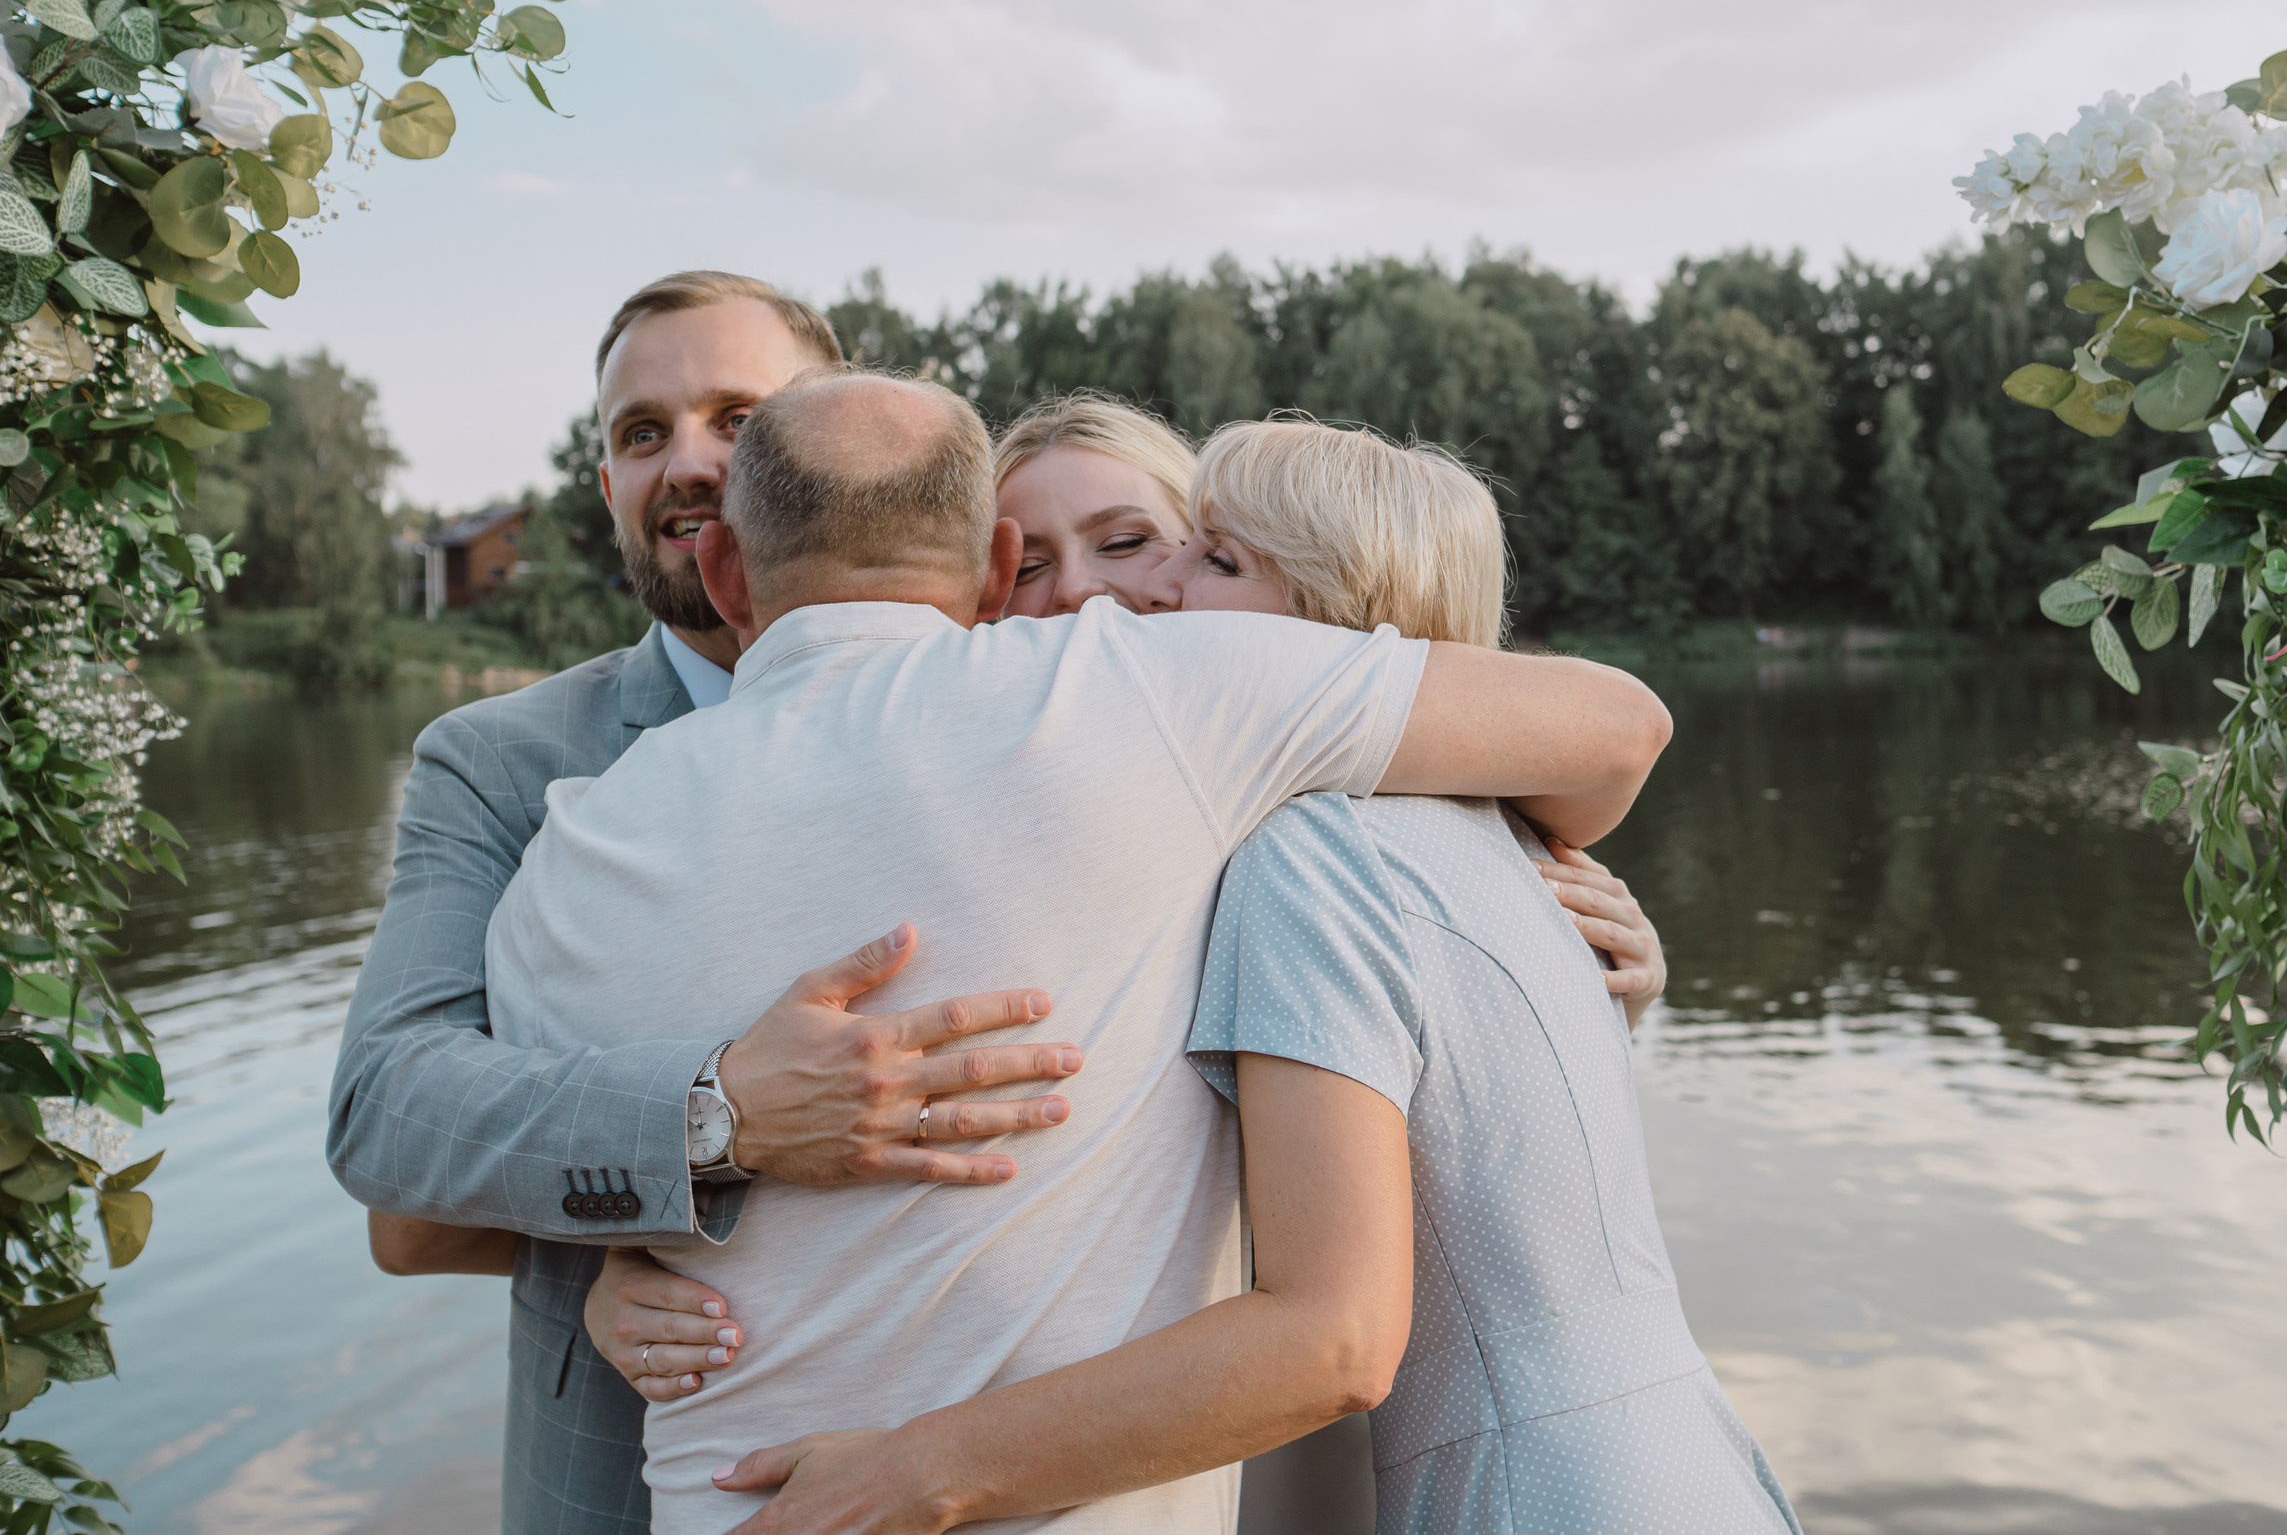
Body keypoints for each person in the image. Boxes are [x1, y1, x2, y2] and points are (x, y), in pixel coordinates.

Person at [476, 366, 1674, 1534]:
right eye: (1035, 561)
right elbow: (1610, 730)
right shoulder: (1129, 705)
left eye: (1149, 547)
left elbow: (500, 1134)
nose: (1084, 603)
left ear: (724, 573)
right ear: (986, 576)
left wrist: (1529, 891)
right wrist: (628, 1258)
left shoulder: (571, 847)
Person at [328, 274, 1083, 1535]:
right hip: (630, 1475)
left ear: (833, 443)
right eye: (640, 433)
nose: (687, 461)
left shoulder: (1038, 714)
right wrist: (703, 1129)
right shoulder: (506, 763)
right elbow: (396, 1159)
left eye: (740, 418)